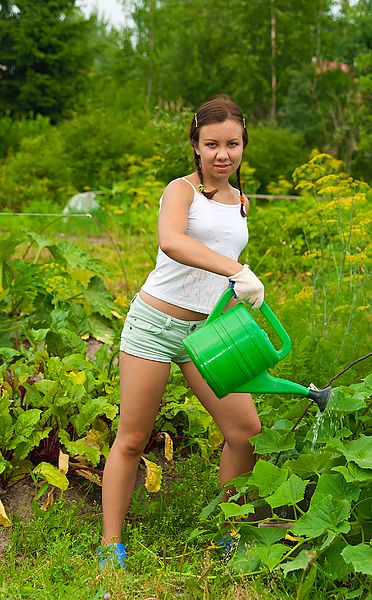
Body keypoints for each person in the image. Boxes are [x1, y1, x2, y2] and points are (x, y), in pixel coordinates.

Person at [98, 95, 265, 569]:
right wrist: (237, 269)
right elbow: (172, 242)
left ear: (242, 146)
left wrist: (239, 298)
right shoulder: (181, 191)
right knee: (133, 437)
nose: (222, 154)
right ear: (196, 145)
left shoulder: (242, 203)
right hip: (154, 324)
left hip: (207, 334)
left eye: (232, 143)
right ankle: (111, 546)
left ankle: (231, 531)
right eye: (211, 144)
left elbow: (218, 277)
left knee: (245, 431)